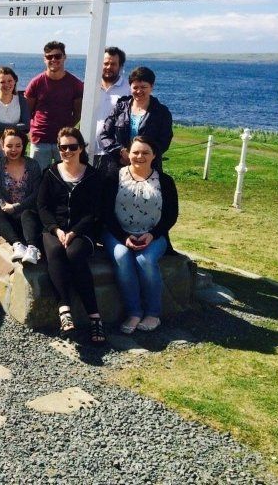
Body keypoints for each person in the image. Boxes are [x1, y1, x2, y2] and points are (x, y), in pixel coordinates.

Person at [102, 136, 178, 334]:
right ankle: (134, 312)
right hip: (117, 234)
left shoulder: (165, 181)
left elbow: (171, 215)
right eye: (135, 152)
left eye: (145, 152)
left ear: (154, 155)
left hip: (153, 235)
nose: (140, 156)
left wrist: (152, 235)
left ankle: (153, 313)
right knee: (122, 256)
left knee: (145, 260)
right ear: (128, 153)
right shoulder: (114, 177)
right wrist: (123, 237)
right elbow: (105, 213)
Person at [37, 127, 106, 343]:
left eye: (72, 147)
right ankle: (64, 310)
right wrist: (56, 230)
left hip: (82, 231)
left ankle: (95, 317)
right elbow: (42, 207)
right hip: (53, 230)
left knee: (75, 255)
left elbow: (94, 211)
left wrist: (74, 231)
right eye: (63, 147)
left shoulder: (93, 175)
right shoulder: (49, 173)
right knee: (56, 251)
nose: (68, 151)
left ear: (81, 148)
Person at [99, 66, 173, 173]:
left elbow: (164, 141)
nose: (139, 91)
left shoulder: (162, 112)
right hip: (119, 165)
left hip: (149, 168)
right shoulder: (120, 108)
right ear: (130, 87)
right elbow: (105, 134)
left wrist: (142, 156)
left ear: (152, 87)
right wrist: (120, 152)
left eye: (143, 87)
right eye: (135, 87)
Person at [24, 41, 84, 167]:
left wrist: (66, 130)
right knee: (38, 178)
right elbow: (27, 111)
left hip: (64, 141)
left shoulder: (75, 84)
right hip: (40, 140)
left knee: (64, 178)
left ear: (64, 57)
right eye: (49, 57)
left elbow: (78, 113)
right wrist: (32, 131)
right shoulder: (36, 83)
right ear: (44, 59)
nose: (53, 59)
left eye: (57, 56)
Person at [0, 128, 42, 264]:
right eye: (9, 146)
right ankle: (17, 245)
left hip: (29, 214)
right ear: (2, 146)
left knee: (27, 214)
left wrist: (16, 206)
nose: (13, 150)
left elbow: (36, 193)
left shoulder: (33, 165)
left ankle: (32, 247)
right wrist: (4, 206)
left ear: (23, 146)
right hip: (9, 215)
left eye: (18, 146)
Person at [92, 47, 128, 174]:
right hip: (89, 150)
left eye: (113, 64)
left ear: (120, 66)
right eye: (106, 63)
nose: (108, 67)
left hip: (115, 153)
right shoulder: (89, 86)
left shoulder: (128, 89)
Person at [0, 66, 30, 134]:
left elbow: (26, 126)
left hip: (15, 143)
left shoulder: (22, 101)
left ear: (15, 81)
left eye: (10, 81)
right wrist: (17, 126)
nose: (7, 84)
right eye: (2, 82)